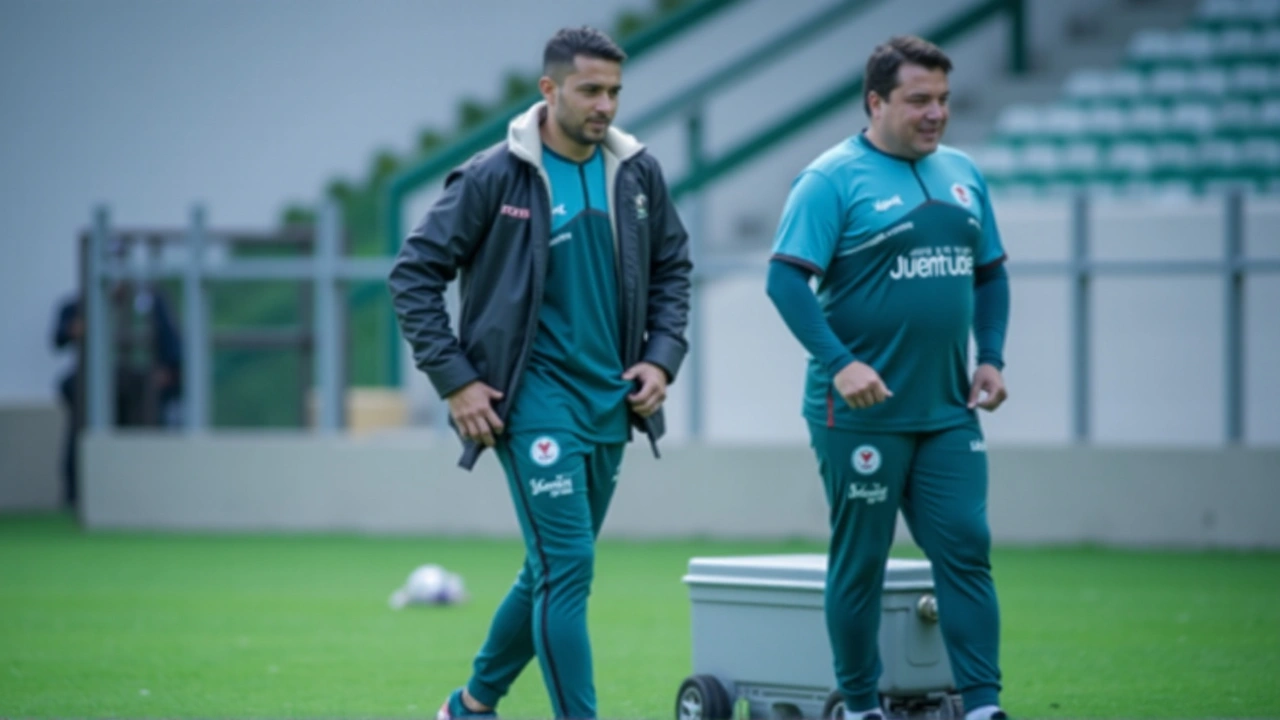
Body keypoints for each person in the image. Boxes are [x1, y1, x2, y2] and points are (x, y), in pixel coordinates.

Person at [387, 26, 692, 720]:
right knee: (569, 570)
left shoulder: (638, 172)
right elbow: (413, 275)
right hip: (530, 402)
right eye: (590, 90)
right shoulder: (494, 175)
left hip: (611, 403)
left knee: (550, 570)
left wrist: (661, 355)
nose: (605, 105)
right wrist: (456, 380)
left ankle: (470, 706)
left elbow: (674, 268)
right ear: (549, 90)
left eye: (614, 91)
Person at [765, 36, 1012, 720]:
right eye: (918, 100)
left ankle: (984, 706)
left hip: (946, 409)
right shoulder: (829, 179)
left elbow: (990, 272)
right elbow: (785, 280)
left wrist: (990, 355)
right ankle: (861, 704)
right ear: (876, 102)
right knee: (862, 559)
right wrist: (840, 364)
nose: (936, 114)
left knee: (966, 546)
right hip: (861, 414)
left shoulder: (964, 171)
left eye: (943, 100)